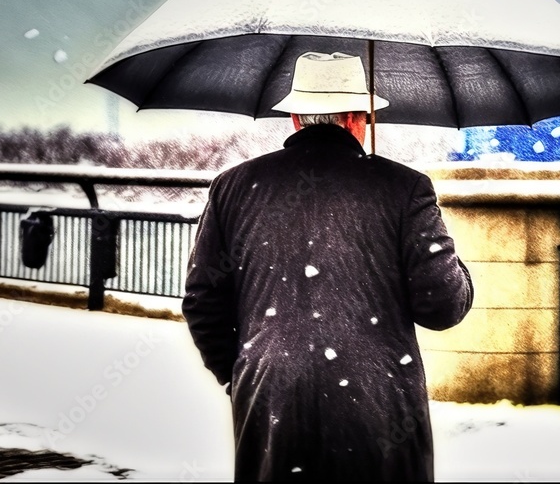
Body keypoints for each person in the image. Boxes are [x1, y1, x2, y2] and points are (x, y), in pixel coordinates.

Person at [182, 51, 474, 481]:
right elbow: (442, 306)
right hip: (379, 401)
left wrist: (246, 371)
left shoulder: (234, 186)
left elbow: (203, 302)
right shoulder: (404, 187)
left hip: (271, 397)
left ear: (296, 118)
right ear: (361, 117)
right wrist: (458, 273)